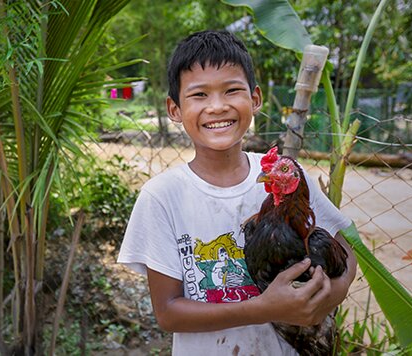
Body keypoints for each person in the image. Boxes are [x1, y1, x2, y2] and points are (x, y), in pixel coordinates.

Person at [117, 30, 357, 355]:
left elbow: (345, 248)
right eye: (199, 95)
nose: (217, 106)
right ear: (174, 109)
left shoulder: (285, 177)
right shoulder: (161, 196)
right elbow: (168, 312)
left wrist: (333, 293)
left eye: (232, 90)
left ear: (254, 99)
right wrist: (265, 308)